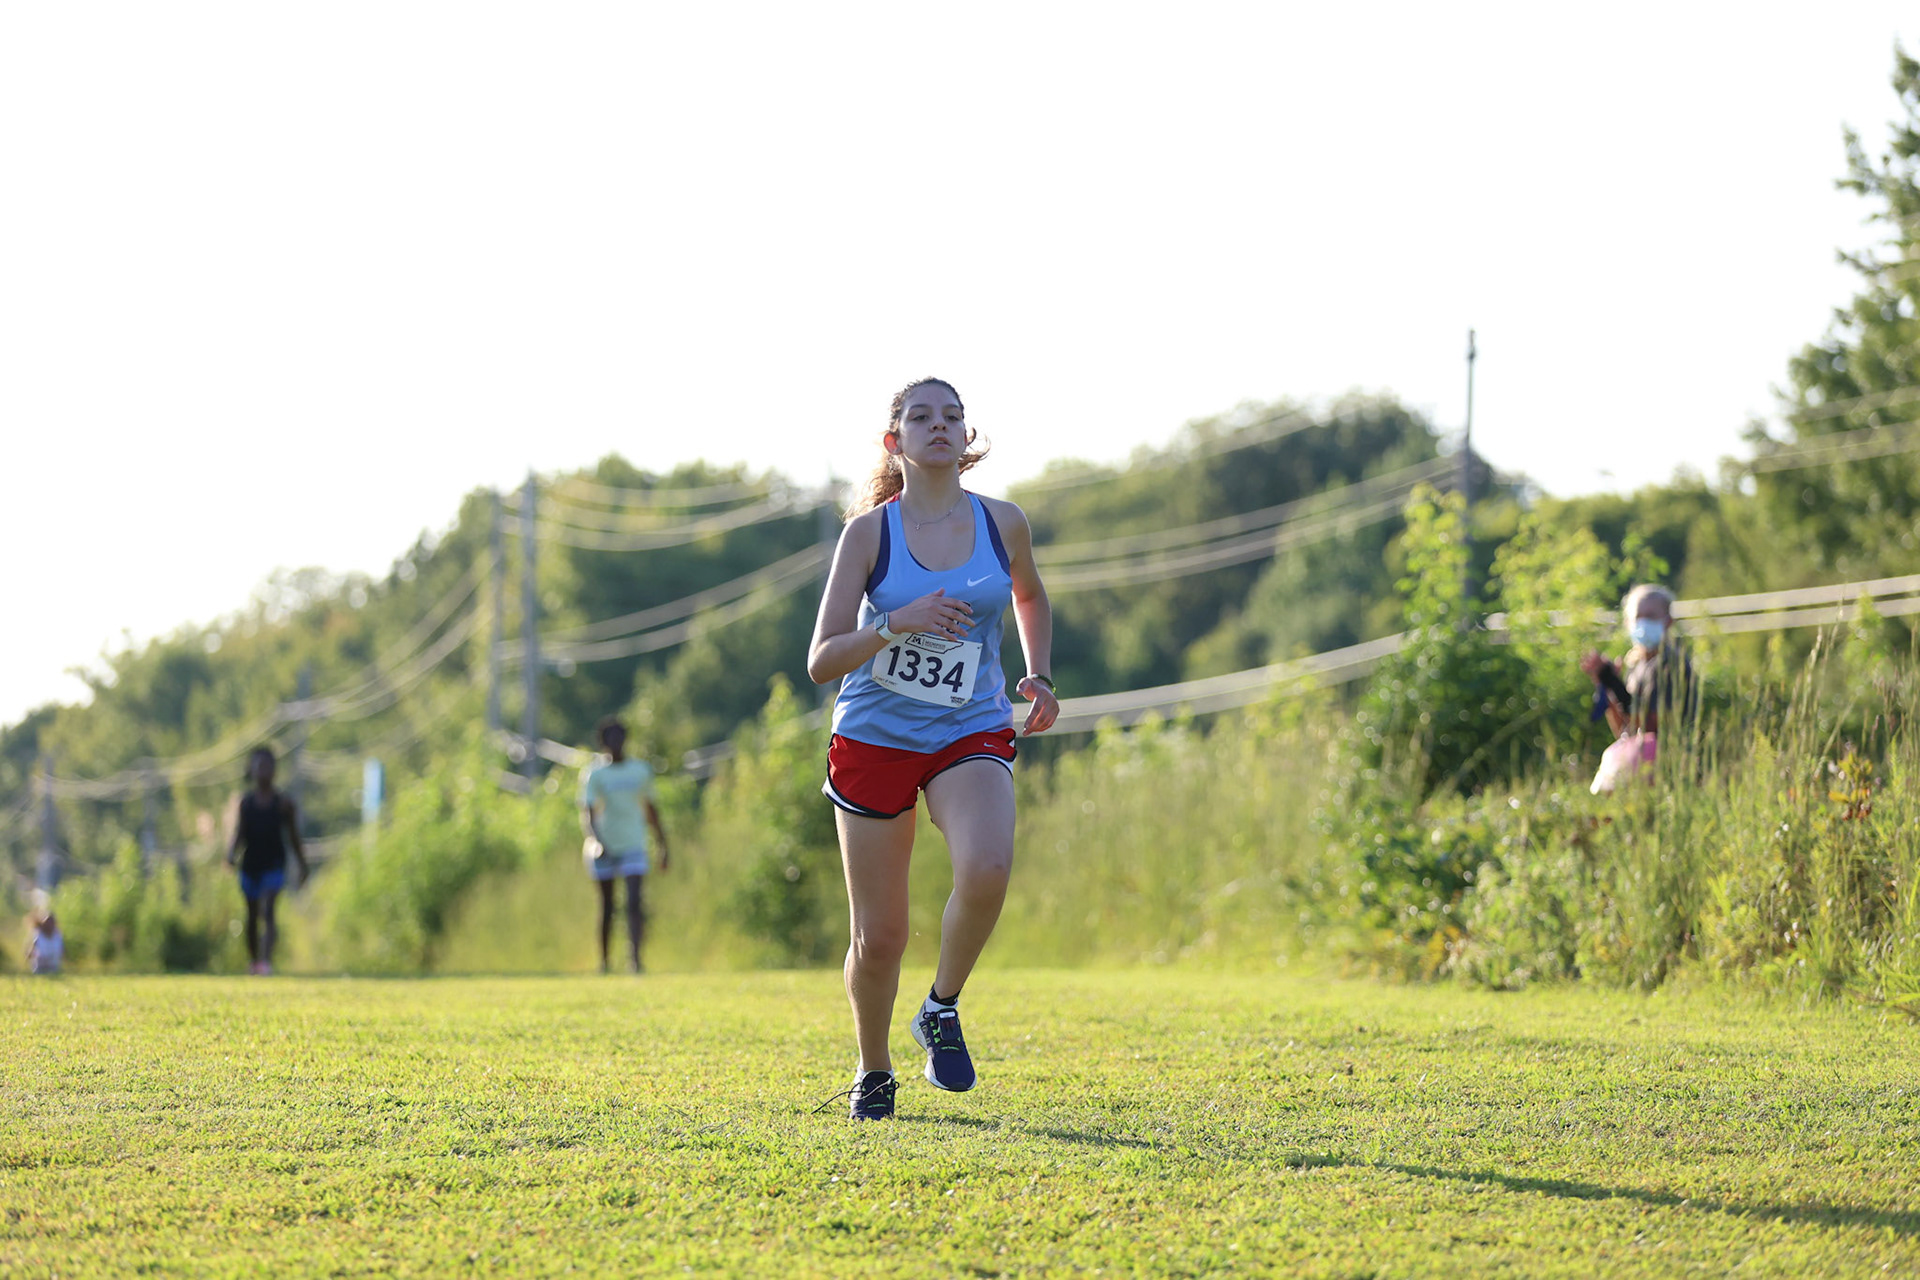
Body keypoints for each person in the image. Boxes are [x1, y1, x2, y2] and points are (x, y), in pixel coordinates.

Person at [807, 376, 1059, 1120]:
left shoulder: (1003, 522)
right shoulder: (868, 535)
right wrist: (896, 622)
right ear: (897, 441)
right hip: (874, 736)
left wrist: (1038, 673)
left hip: (966, 726)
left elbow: (1030, 595)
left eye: (953, 416)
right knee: (880, 935)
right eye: (922, 417)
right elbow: (821, 660)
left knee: (987, 867)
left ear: (966, 436)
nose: (940, 426)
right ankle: (873, 1069)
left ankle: (941, 1006)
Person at [1580, 583, 1696, 794]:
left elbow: (1653, 727)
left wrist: (1617, 686)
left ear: (1668, 621)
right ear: (1628, 622)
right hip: (1642, 765)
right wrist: (1607, 687)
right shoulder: (1635, 665)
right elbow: (1626, 731)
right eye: (1638, 617)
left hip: (1669, 766)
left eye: (1650, 616)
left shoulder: (1671, 664)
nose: (1643, 622)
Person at [579, 716, 670, 973]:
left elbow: (651, 809)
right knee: (607, 905)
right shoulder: (595, 774)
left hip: (633, 843)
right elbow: (588, 813)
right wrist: (597, 841)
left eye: (620, 737)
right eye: (610, 738)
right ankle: (605, 961)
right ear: (603, 742)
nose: (616, 742)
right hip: (604, 846)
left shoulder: (640, 771)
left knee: (634, 902)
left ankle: (635, 960)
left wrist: (662, 843)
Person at [225, 746, 309, 974]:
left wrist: (302, 865)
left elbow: (294, 837)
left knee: (269, 909)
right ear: (252, 770)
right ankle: (254, 962)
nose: (264, 770)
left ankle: (265, 962)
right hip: (250, 866)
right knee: (252, 915)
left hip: (274, 865)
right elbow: (239, 833)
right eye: (260, 766)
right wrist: (230, 854)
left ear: (275, 770)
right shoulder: (246, 803)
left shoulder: (284, 804)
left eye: (268, 766)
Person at [26, 907, 63, 975]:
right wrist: (30, 954)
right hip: (40, 967)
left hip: (53, 967)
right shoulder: (38, 934)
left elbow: (61, 950)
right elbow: (31, 950)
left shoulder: (57, 935)